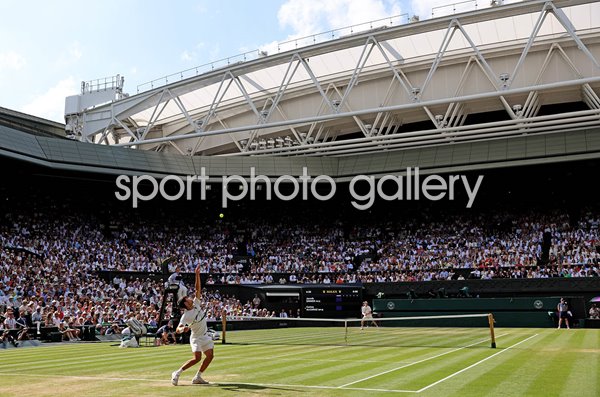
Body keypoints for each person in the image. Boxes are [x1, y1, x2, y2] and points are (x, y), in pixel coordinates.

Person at [171, 265, 213, 386]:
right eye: (187, 299)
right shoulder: (186, 316)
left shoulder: (196, 303)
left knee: (210, 356)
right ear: (185, 304)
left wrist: (197, 275)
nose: (190, 298)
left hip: (205, 336)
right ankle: (177, 373)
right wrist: (182, 329)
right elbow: (177, 329)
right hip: (195, 338)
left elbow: (197, 289)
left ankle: (198, 377)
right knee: (197, 358)